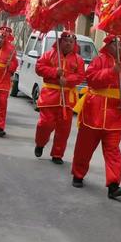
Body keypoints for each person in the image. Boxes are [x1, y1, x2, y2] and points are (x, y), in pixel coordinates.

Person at [71, 35, 121, 200]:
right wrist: (111, 72)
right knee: (84, 147)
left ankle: (113, 185)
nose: (119, 48)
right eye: (115, 44)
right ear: (108, 46)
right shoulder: (98, 61)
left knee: (113, 151)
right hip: (93, 111)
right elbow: (91, 80)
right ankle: (78, 173)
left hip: (115, 115)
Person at [34, 31, 85, 165]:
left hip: (67, 98)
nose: (68, 44)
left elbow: (80, 76)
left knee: (64, 129)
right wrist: (55, 72)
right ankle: (40, 143)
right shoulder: (49, 54)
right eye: (66, 41)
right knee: (45, 124)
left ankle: (57, 153)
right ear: (60, 42)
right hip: (49, 96)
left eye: (71, 42)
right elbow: (39, 68)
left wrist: (67, 80)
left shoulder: (78, 59)